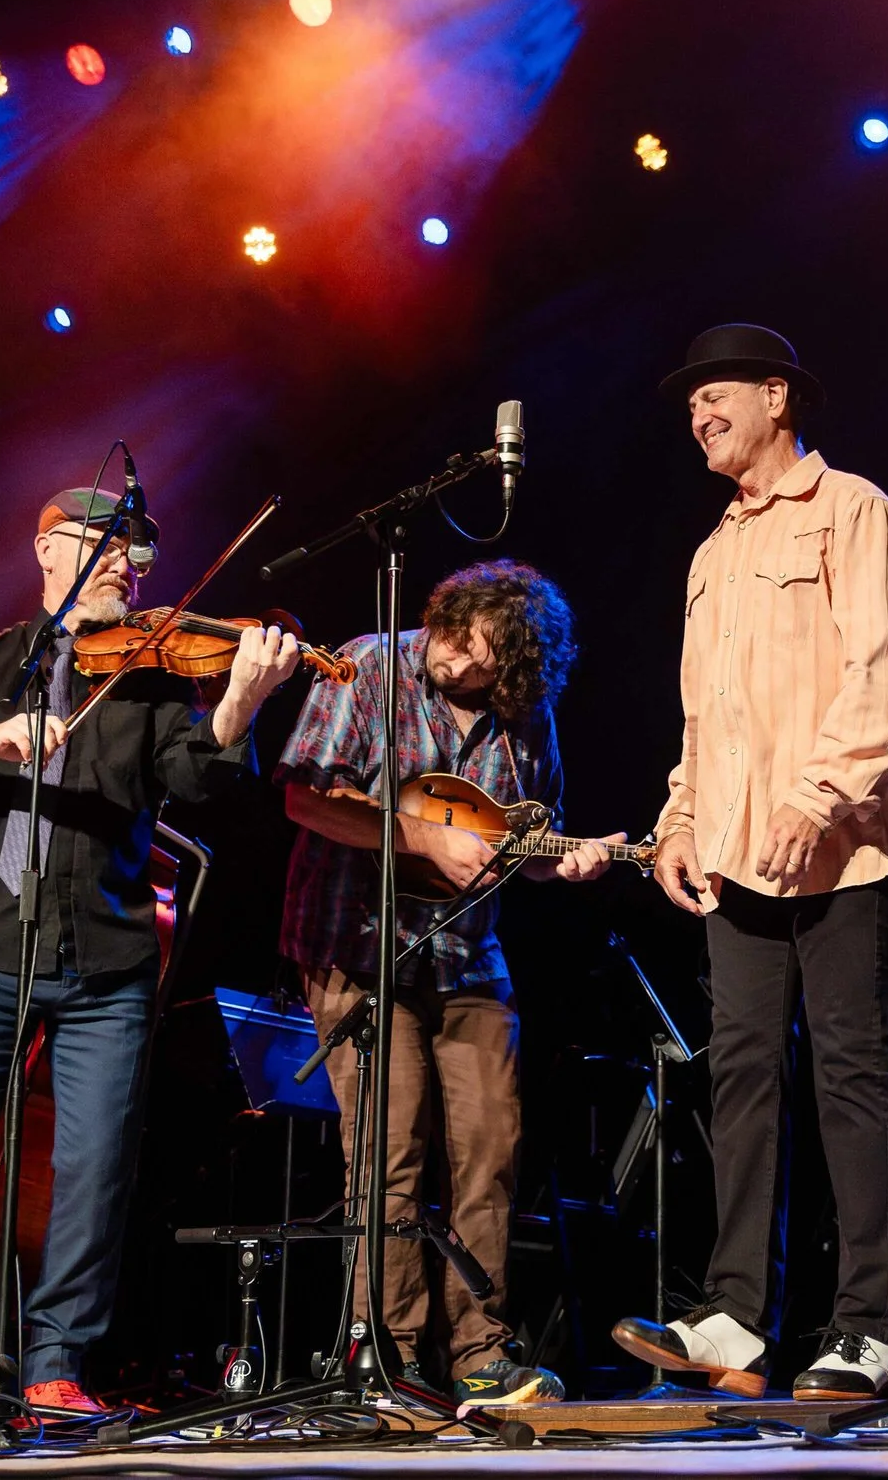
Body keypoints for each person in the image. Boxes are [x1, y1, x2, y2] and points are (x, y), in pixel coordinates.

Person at [0, 487, 302, 1415]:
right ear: (46, 550)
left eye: (133, 555)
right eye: (103, 547)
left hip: (109, 958)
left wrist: (239, 704)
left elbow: (194, 774)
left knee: (96, 1164)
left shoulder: (147, 676)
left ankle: (55, 1362)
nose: (124, 566)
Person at [610, 323, 888, 1402]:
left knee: (849, 1072)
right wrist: (678, 820)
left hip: (843, 846)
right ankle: (735, 1319)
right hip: (738, 854)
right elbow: (707, 717)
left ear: (777, 397)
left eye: (716, 394)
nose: (698, 414)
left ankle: (865, 1331)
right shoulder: (712, 552)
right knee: (740, 1074)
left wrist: (815, 797)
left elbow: (884, 675)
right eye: (688, 402)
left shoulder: (857, 511)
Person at [277, 559, 613, 1407]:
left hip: (467, 954)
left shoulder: (526, 715)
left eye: (484, 657)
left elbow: (519, 853)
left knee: (492, 1148)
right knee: (390, 1151)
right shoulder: (366, 666)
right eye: (457, 637)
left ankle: (481, 1352)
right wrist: (423, 839)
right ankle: (386, 1359)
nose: (458, 660)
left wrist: (562, 862)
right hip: (359, 948)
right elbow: (305, 799)